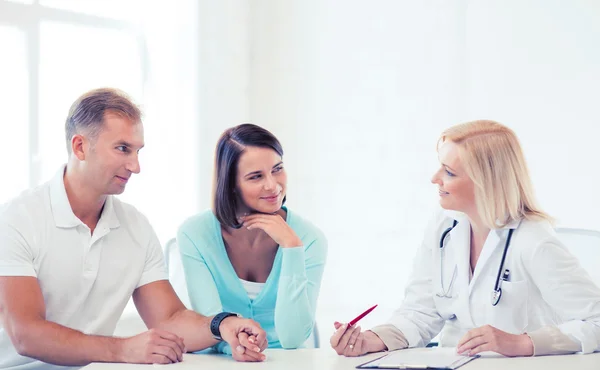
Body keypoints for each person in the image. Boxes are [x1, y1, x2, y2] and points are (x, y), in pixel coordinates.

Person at [0, 88, 267, 370]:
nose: (135, 166)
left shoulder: (135, 226)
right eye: (122, 148)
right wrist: (123, 348)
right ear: (80, 147)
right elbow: (25, 333)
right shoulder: (17, 219)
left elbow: (170, 318)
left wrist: (222, 325)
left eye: (138, 151)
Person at [330, 120, 600, 357]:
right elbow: (420, 312)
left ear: (486, 181)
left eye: (449, 172)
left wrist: (523, 343)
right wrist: (371, 341)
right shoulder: (444, 225)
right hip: (451, 362)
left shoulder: (533, 241)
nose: (435, 178)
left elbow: (596, 322)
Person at [177, 123, 327, 355]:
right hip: (220, 359)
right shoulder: (195, 234)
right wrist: (235, 347)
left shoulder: (309, 238)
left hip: (287, 362)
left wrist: (292, 248)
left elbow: (293, 338)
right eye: (256, 176)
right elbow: (210, 324)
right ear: (231, 185)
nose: (272, 185)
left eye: (277, 169)